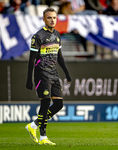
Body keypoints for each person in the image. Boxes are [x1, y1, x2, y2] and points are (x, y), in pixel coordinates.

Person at [25, 7, 71, 145]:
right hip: (41, 74)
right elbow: (31, 60)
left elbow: (60, 57)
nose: (52, 20)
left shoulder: (57, 34)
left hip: (54, 74)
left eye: (54, 17)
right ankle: (43, 137)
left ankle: (33, 125)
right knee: (45, 103)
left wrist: (67, 74)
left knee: (58, 104)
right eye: (49, 17)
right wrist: (29, 79)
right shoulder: (38, 36)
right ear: (44, 19)